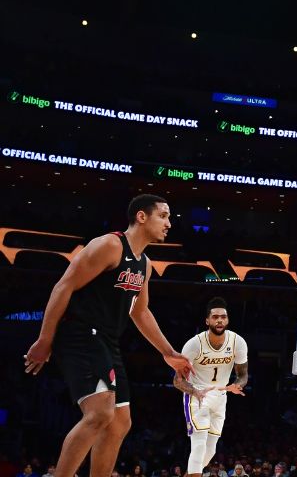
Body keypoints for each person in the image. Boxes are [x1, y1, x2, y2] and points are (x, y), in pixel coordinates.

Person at [23, 195, 193, 477]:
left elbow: (140, 312)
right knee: (100, 413)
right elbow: (63, 287)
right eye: (163, 216)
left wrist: (169, 352)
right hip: (80, 332)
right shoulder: (109, 245)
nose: (169, 224)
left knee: (119, 423)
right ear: (141, 216)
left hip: (107, 341)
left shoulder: (145, 264)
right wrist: (45, 339)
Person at [175, 298, 249, 477]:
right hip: (197, 394)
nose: (219, 320)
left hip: (220, 396)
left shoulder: (237, 342)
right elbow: (177, 381)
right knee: (199, 445)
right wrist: (194, 391)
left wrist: (236, 386)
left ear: (228, 320)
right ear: (207, 320)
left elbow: (243, 374)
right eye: (215, 317)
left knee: (210, 451)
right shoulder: (194, 345)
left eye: (223, 317)